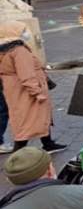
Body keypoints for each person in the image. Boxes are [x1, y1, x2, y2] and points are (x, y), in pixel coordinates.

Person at [0, 24, 65, 153]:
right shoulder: (18, 51)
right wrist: (37, 92)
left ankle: (48, 143)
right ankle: (19, 151)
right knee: (28, 120)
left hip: (15, 90)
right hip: (26, 92)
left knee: (35, 117)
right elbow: (26, 74)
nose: (26, 33)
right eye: (23, 30)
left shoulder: (4, 50)